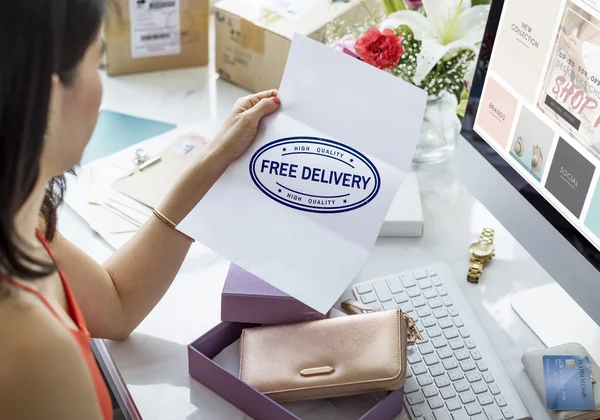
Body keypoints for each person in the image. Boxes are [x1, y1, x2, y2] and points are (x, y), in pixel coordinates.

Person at [0, 1, 280, 419]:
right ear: (49, 96)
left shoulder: (17, 205)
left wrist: (216, 159)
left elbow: (116, 305)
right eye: (96, 62)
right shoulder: (31, 348)